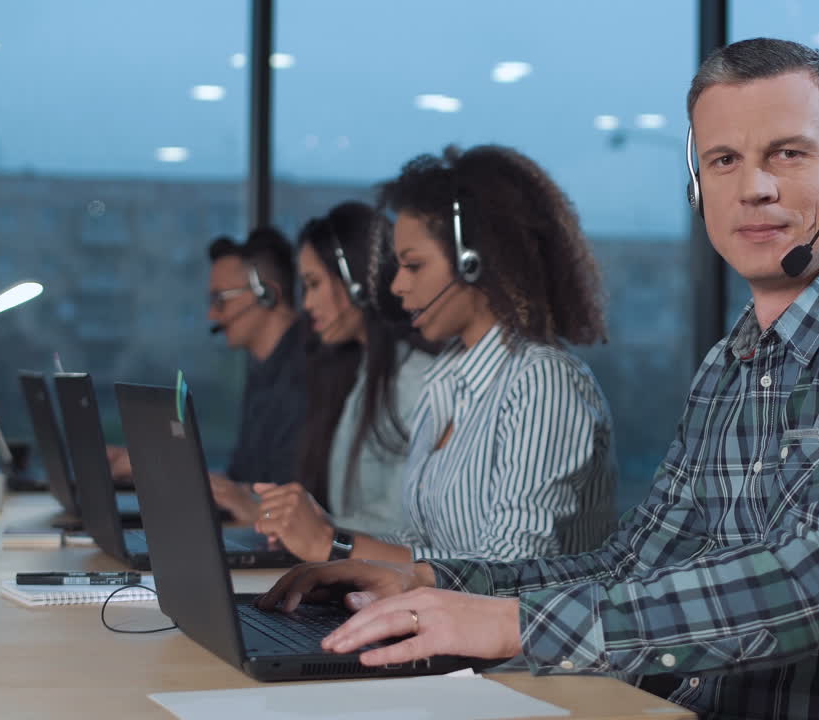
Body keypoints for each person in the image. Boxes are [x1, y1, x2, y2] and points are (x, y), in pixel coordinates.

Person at [258, 38, 819, 719]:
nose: (753, 187)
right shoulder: (730, 366)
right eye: (724, 161)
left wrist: (510, 625)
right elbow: (632, 563)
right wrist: (433, 581)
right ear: (699, 186)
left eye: (788, 153)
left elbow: (816, 581)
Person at [252, 145, 617, 565]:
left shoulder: (543, 382)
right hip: (439, 624)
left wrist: (334, 546)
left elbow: (513, 569)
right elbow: (421, 540)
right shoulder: (447, 378)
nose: (396, 286)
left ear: (474, 263)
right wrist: (328, 530)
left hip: (515, 631)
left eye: (414, 266)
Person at [251, 201, 433, 550]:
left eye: (314, 284)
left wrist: (324, 534)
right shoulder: (360, 373)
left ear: (356, 284)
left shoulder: (415, 381)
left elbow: (413, 534)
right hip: (355, 570)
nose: (307, 304)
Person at [109, 227, 308, 523]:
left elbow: (281, 494)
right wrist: (156, 467)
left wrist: (163, 469)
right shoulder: (263, 371)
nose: (212, 316)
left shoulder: (308, 375)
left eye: (221, 300)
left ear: (266, 295)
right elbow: (241, 483)